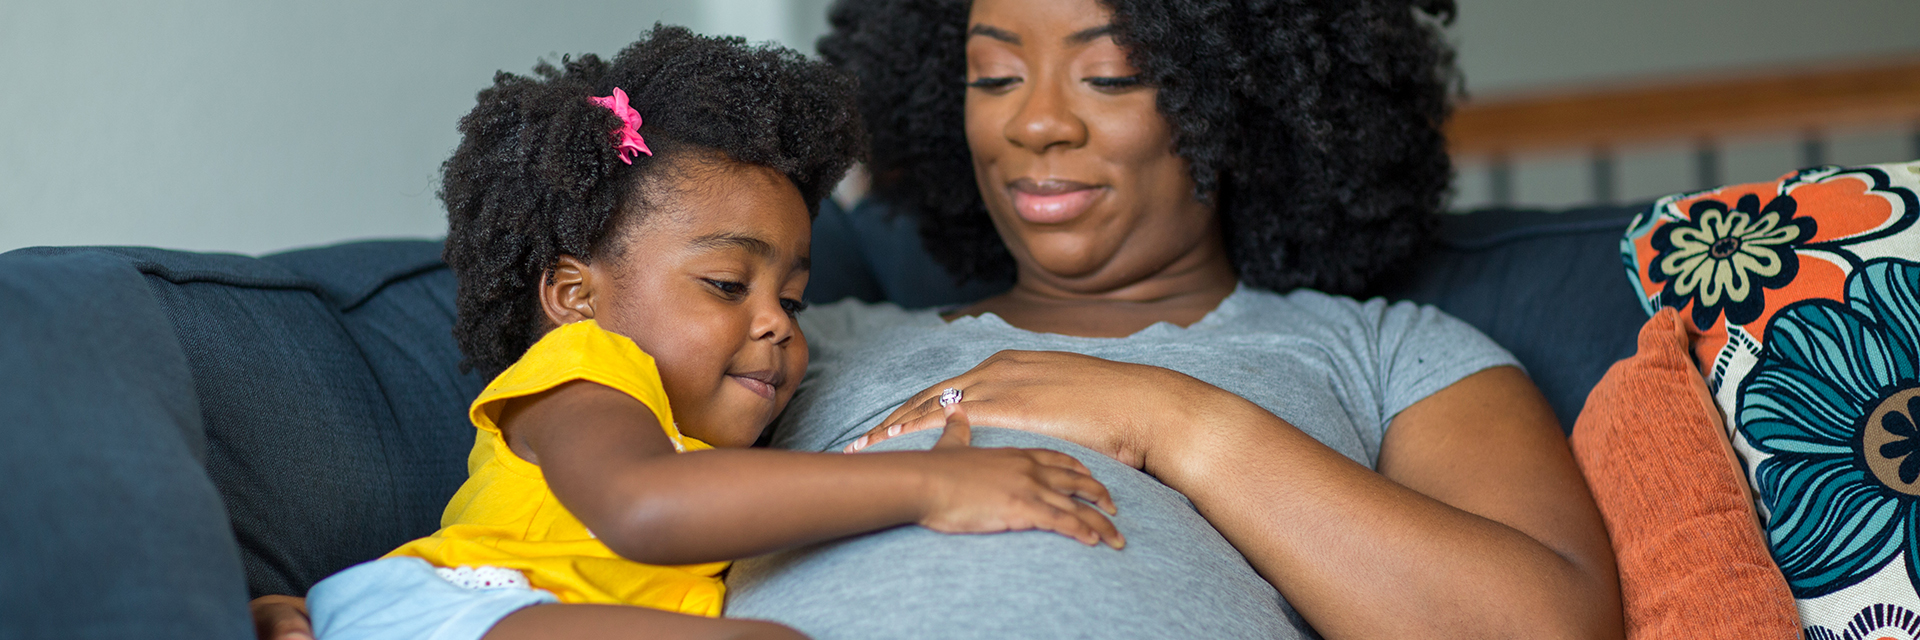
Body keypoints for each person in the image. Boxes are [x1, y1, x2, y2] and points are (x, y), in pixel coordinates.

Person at [262, 0, 1626, 638]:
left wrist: (1172, 420)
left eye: (1111, 73)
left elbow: (1539, 629)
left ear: (1243, 93)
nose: (1036, 123)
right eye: (991, 74)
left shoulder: (1386, 352)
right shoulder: (790, 343)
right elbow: (576, 517)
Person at [266, 25, 1130, 640]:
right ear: (574, 294)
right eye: (726, 284)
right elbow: (645, 509)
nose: (776, 323)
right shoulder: (585, 374)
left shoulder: (705, 446)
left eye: (794, 300)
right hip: (463, 611)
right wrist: (927, 485)